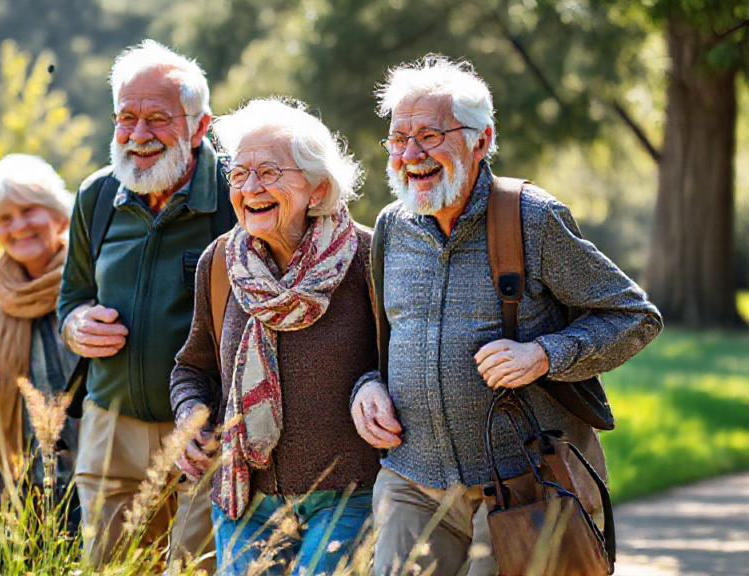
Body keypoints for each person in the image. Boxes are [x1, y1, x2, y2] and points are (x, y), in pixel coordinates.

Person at [351, 55, 663, 576]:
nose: (410, 154)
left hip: (522, 485)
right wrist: (366, 385)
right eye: (398, 139)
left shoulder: (533, 218)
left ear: (480, 139)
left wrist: (544, 355)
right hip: (412, 482)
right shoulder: (391, 226)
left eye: (429, 136)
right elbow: (379, 338)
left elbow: (634, 315)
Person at [170, 98, 382, 576]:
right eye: (239, 175)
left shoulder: (369, 257)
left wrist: (371, 382)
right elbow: (193, 368)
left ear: (318, 187)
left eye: (268, 173)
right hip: (246, 498)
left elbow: (399, 364)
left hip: (348, 498)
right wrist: (189, 418)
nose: (250, 188)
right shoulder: (221, 262)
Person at [56, 39, 236, 569]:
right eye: (126, 117)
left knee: (194, 567)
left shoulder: (237, 195)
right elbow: (73, 295)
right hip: (110, 426)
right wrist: (76, 325)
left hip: (208, 432)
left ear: (200, 126)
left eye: (157, 119)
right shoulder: (95, 196)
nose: (137, 136)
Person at [0, 153, 81, 543]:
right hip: (7, 475)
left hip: (87, 471)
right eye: (4, 218)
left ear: (59, 215)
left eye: (28, 211)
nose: (17, 225)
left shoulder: (88, 275)